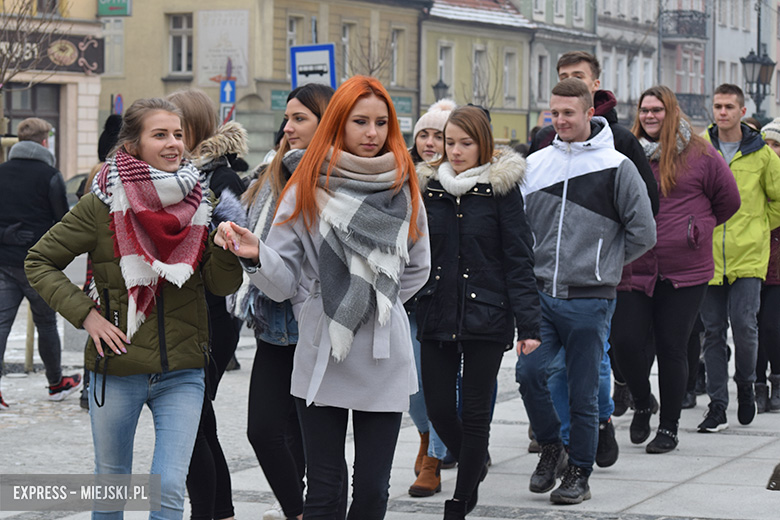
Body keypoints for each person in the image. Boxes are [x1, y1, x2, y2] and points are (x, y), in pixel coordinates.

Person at [215, 75, 430, 519]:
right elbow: (284, 279)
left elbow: (418, 266)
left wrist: (369, 303)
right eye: (359, 122)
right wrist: (258, 256)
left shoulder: (404, 185)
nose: (371, 134)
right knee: (325, 490)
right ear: (339, 123)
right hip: (322, 349)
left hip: (382, 350)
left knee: (372, 491)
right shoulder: (308, 184)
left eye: (380, 122)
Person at [25, 97, 243, 520]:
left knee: (168, 490)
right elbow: (39, 261)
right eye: (159, 134)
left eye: (178, 134)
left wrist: (226, 250)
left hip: (182, 372)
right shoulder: (102, 203)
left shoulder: (201, 203)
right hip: (117, 370)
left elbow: (221, 284)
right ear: (133, 144)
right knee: (111, 487)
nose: (173, 144)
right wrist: (87, 316)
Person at [517, 78, 656, 504]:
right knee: (529, 375)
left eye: (568, 113)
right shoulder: (535, 164)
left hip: (590, 298)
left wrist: (605, 264)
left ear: (588, 113)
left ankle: (580, 471)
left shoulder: (616, 165)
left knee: (581, 391)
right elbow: (519, 230)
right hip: (540, 295)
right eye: (554, 113)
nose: (560, 120)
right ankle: (552, 448)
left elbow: (644, 232)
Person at [415, 105, 540, 519]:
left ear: (483, 144)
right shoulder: (427, 187)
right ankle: (476, 459)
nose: (455, 151)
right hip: (436, 312)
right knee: (437, 408)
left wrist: (529, 324)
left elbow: (519, 260)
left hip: (487, 313)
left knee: (474, 413)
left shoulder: (501, 190)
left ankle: (460, 501)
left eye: (465, 143)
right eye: (449, 142)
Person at [609, 86, 740, 453]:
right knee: (625, 342)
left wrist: (696, 229)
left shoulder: (699, 153)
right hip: (634, 264)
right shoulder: (626, 150)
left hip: (685, 269)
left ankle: (668, 427)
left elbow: (728, 200)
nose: (650, 116)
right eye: (644, 110)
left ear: (672, 112)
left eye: (657, 110)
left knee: (672, 346)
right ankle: (641, 399)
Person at [232, 83, 334, 520]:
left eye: (300, 119)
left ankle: (312, 508)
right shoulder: (272, 171)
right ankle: (299, 510)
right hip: (273, 321)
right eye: (287, 119)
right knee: (265, 431)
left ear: (325, 121)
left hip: (316, 323)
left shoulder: (339, 175)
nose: (288, 127)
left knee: (311, 441)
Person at [167, 88, 249, 520]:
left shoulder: (220, 178)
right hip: (185, 314)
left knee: (191, 423)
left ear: (194, 129)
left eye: (177, 128)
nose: (169, 138)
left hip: (215, 314)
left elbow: (236, 247)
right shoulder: (169, 176)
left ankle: (209, 510)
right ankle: (220, 508)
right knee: (199, 421)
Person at [699, 84, 780, 431]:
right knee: (712, 332)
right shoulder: (699, 150)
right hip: (708, 255)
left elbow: (778, 200)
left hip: (749, 255)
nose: (723, 112)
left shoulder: (762, 154)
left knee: (746, 327)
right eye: (717, 106)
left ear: (742, 112)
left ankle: (746, 383)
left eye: (729, 106)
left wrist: (759, 226)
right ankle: (718, 405)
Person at [0, 117, 80, 407]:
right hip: (39, 265)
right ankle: (56, 383)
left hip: (4, 263)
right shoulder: (50, 175)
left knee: (1, 325)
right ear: (45, 141)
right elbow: (62, 221)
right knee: (46, 324)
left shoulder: (1, 172)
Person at [405, 97, 455, 498]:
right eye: (423, 133)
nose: (429, 142)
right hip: (406, 296)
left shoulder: (458, 181)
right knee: (411, 385)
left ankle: (435, 458)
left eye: (438, 135)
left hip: (445, 297)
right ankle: (424, 436)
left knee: (437, 383)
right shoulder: (400, 177)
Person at [756, 118, 780, 413]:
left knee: (772, 326)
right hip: (753, 260)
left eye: (776, 144)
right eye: (767, 144)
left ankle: (776, 380)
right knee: (751, 328)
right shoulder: (755, 176)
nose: (771, 149)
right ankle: (757, 385)